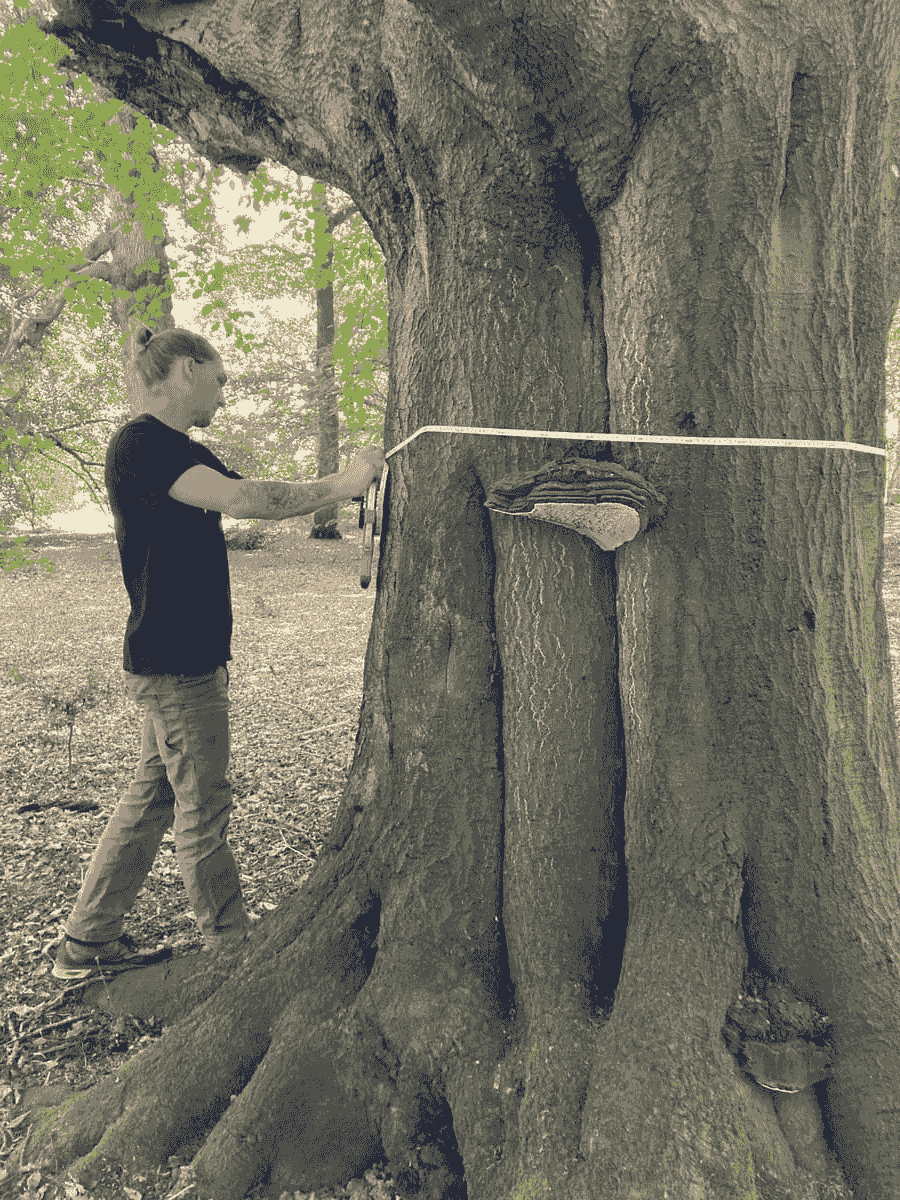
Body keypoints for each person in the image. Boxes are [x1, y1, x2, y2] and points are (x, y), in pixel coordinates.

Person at [52, 326, 385, 981]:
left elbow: (256, 493)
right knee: (203, 806)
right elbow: (247, 500)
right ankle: (233, 952)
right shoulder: (144, 444)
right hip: (179, 667)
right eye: (219, 375)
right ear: (184, 370)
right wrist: (345, 481)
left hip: (177, 660)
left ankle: (86, 945)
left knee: (152, 799)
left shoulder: (177, 449)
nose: (224, 389)